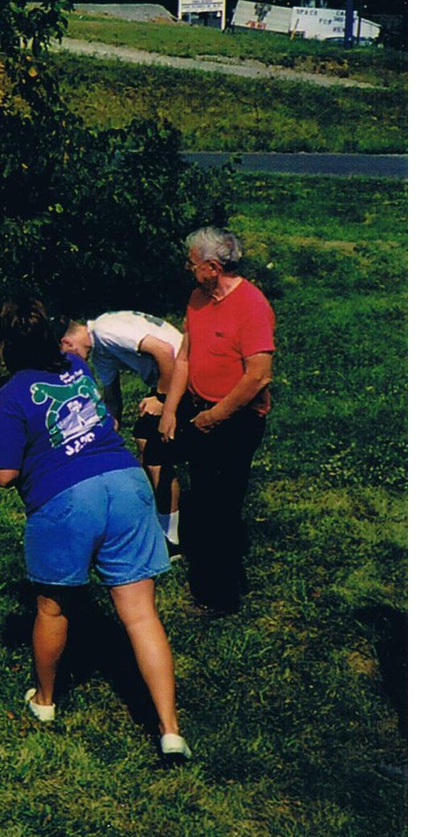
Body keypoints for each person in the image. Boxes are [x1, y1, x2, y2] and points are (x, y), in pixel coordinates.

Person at [0, 298, 191, 764]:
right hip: (125, 482)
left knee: (53, 607)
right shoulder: (78, 367)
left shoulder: (12, 395)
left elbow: (3, 475)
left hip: (67, 501)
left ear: (6, 349)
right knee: (140, 615)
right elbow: (106, 417)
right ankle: (170, 730)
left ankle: (45, 701)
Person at [158, 227, 275, 616]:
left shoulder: (252, 305)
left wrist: (214, 416)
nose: (188, 269)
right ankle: (224, 575)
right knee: (207, 497)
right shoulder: (198, 298)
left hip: (236, 420)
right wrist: (172, 409)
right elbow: (185, 357)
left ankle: (218, 596)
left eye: (192, 263)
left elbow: (258, 375)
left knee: (217, 507)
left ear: (212, 266)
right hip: (201, 411)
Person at [61, 311, 185, 548]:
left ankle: (171, 539)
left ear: (67, 343)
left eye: (64, 354)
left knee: (155, 457)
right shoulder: (100, 348)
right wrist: (109, 428)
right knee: (143, 441)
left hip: (183, 375)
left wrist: (161, 398)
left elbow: (165, 351)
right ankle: (155, 521)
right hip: (171, 378)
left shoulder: (106, 331)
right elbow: (112, 396)